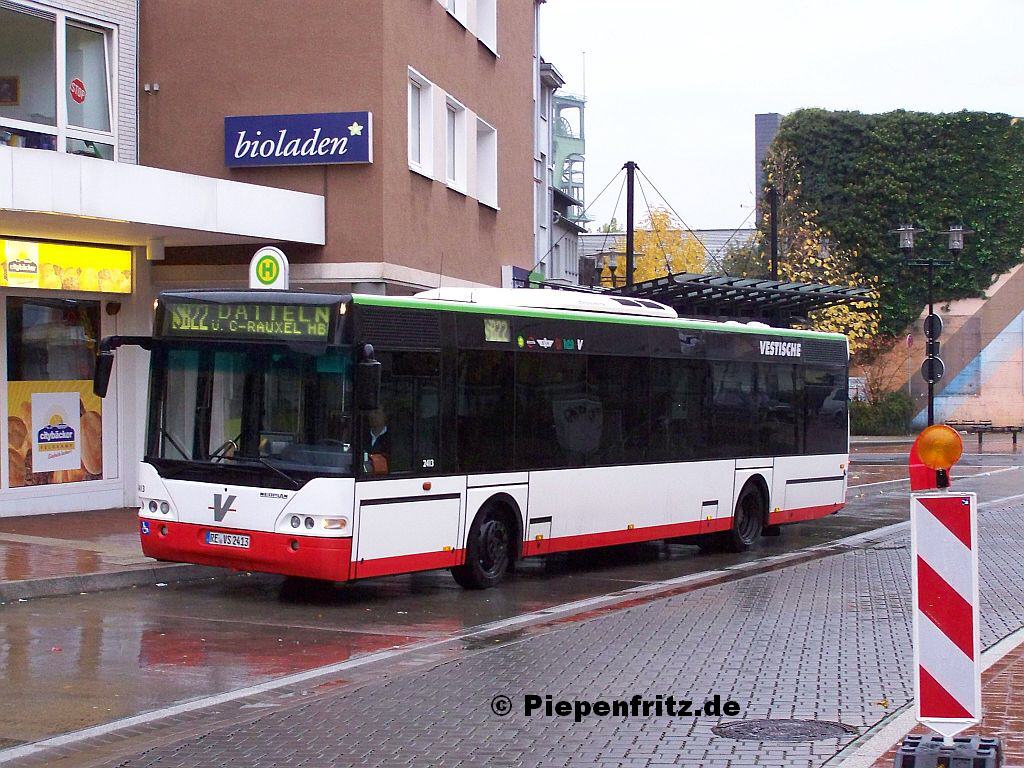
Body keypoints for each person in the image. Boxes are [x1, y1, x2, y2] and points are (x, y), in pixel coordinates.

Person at [366, 408, 390, 474]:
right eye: (371, 413)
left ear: (385, 417)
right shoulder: (362, 436)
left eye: (377, 413)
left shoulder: (392, 438)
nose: (373, 416)